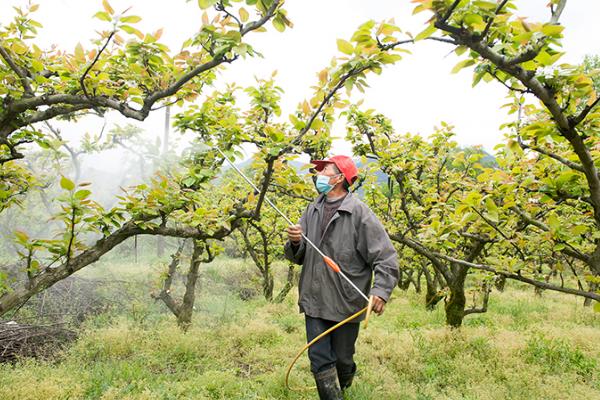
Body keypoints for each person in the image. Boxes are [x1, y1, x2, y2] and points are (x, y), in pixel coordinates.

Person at [284, 155, 399, 400]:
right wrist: (295, 242)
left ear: (339, 178)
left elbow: (386, 257)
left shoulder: (359, 213)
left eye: (325, 170)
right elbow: (300, 255)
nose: (320, 174)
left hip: (346, 302)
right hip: (315, 299)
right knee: (319, 359)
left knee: (343, 359)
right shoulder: (312, 209)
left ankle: (344, 383)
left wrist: (380, 291)